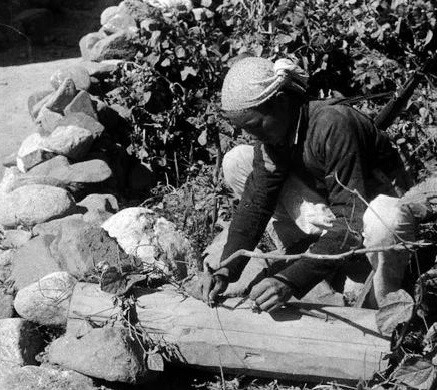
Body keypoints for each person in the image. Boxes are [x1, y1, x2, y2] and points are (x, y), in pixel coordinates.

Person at [200, 56, 417, 311]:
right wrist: (226, 268)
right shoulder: (275, 136)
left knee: (385, 221)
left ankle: (384, 302)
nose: (254, 136)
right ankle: (310, 253)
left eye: (255, 125)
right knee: (237, 160)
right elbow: (256, 203)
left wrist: (289, 280)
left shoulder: (333, 123)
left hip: (371, 213)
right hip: (336, 208)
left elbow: (350, 219)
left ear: (280, 103)